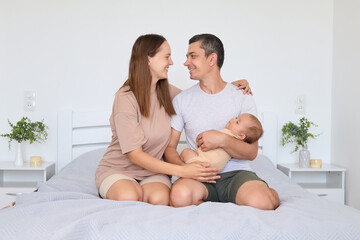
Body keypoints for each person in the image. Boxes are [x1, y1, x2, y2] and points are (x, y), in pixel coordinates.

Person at [95, 34, 251, 206]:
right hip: (119, 169)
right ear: (148, 59)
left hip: (152, 172)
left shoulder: (168, 93)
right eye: (167, 57)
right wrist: (184, 171)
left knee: (159, 200)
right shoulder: (125, 97)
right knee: (129, 197)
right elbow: (135, 155)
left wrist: (229, 87)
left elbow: (200, 95)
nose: (172, 63)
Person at [164, 34, 279, 210]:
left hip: (235, 173)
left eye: (192, 56)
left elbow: (251, 152)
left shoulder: (241, 95)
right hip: (199, 175)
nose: (186, 62)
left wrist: (222, 139)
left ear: (212, 59)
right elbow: (170, 148)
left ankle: (265, 192)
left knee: (261, 203)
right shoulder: (182, 100)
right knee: (179, 197)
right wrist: (186, 170)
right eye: (187, 57)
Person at [181, 113, 263, 171]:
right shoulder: (236, 143)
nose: (233, 119)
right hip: (215, 169)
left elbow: (208, 138)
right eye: (236, 117)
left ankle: (182, 169)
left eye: (237, 122)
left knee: (186, 152)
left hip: (203, 162)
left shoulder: (227, 133)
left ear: (241, 136)